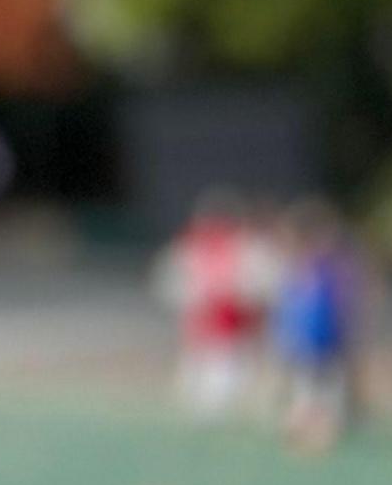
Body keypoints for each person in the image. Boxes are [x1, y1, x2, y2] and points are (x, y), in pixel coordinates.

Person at [155, 189, 270, 421]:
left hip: (233, 329)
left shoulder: (245, 249)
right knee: (201, 388)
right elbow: (173, 286)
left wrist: (237, 297)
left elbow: (259, 286)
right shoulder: (189, 249)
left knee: (230, 382)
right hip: (202, 329)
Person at [275, 199, 366, 453]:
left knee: (327, 392)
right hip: (307, 342)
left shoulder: (331, 269)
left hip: (327, 341)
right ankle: (303, 434)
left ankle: (320, 436)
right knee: (307, 390)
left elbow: (344, 309)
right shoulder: (300, 268)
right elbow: (291, 313)